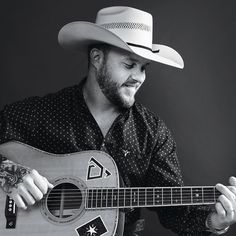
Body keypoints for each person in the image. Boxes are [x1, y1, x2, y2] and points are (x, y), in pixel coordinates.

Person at [0, 6, 236, 235]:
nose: (138, 78)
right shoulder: (42, 112)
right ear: (97, 58)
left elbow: (175, 212)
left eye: (144, 68)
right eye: (129, 64)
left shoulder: (152, 133)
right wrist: (8, 173)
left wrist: (213, 221)